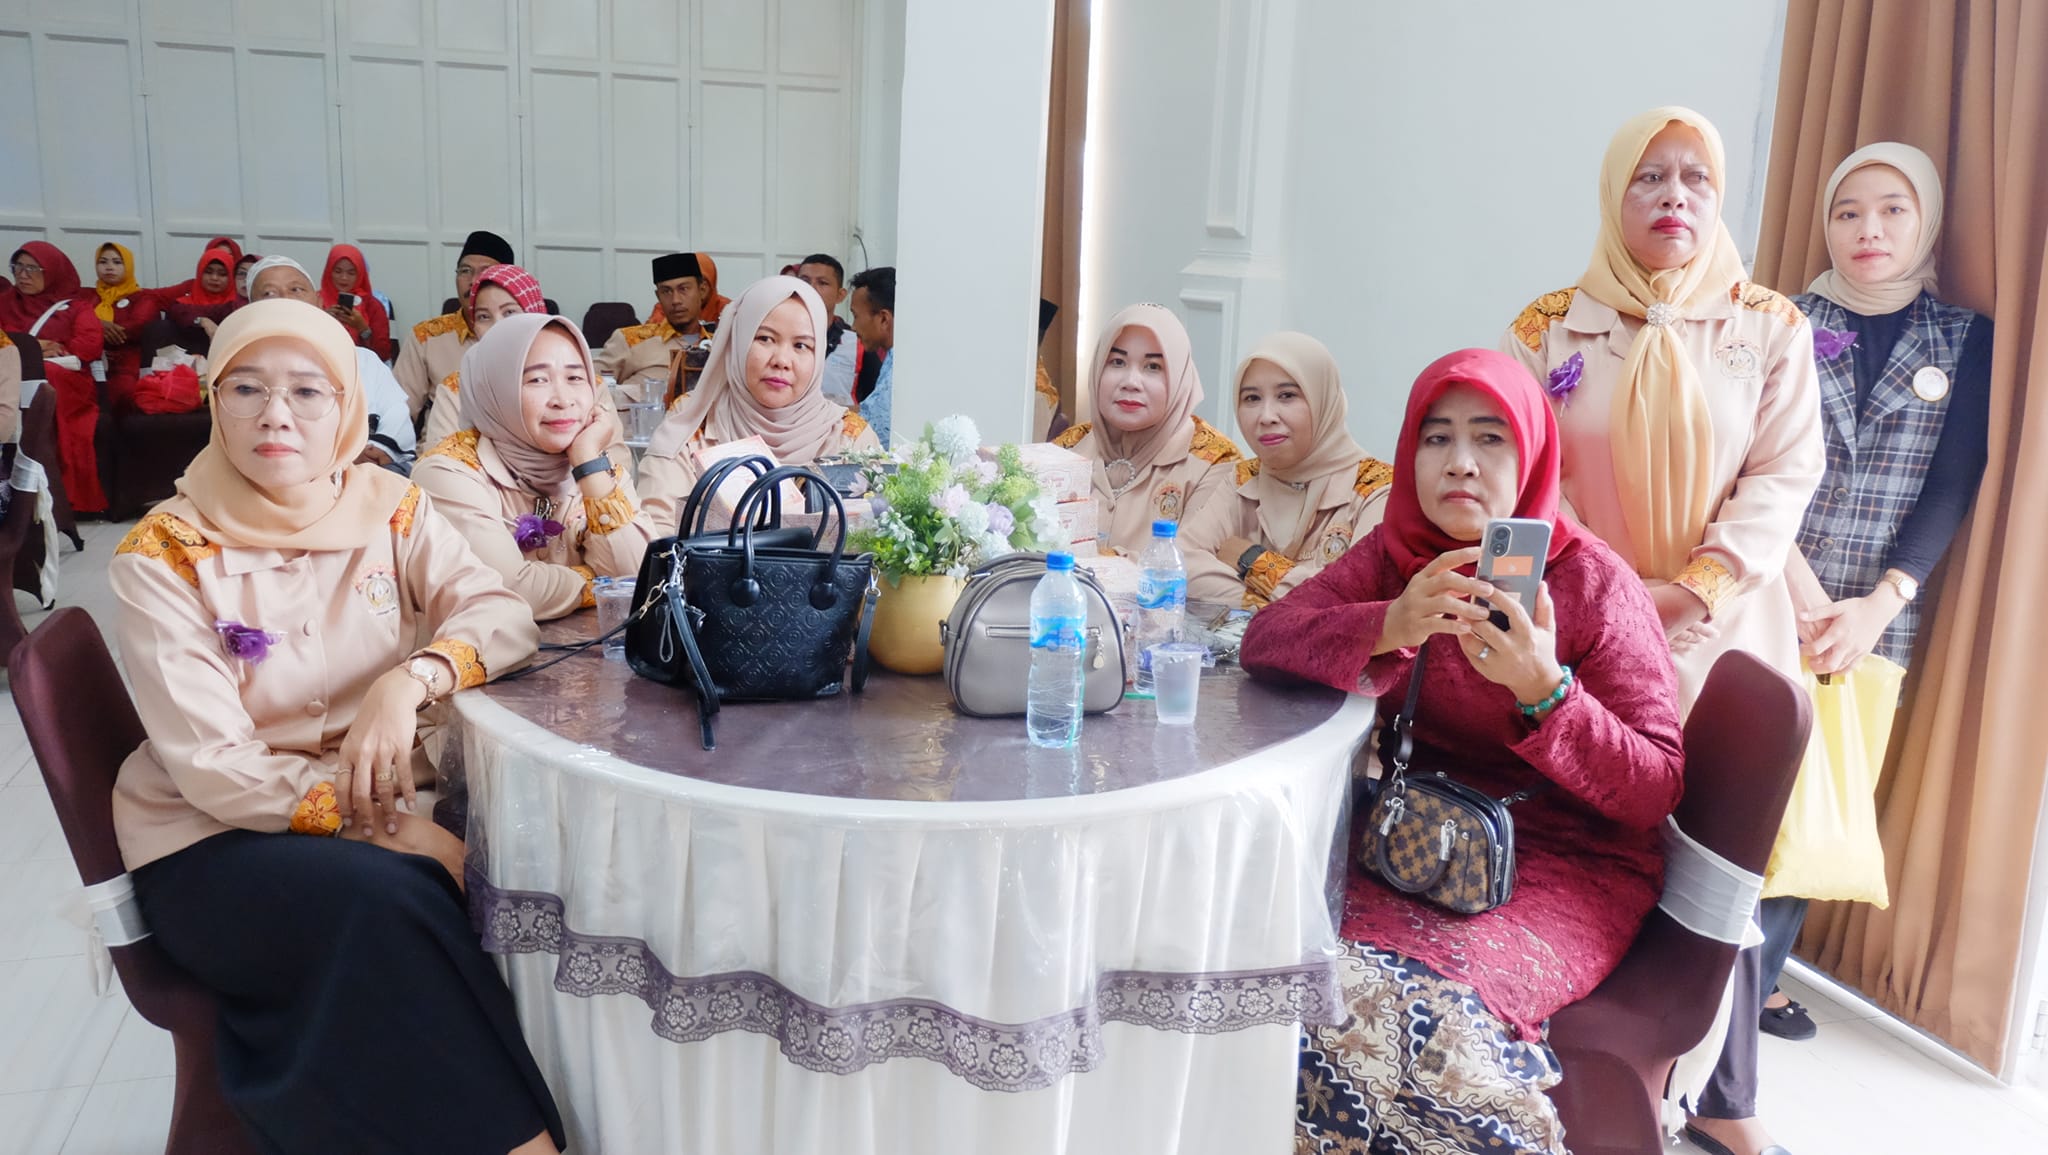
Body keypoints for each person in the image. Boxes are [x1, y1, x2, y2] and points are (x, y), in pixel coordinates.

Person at [109, 298, 563, 1154]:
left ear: (348, 405)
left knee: (513, 865)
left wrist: (410, 677)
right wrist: (381, 825)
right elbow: (216, 767)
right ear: (214, 401)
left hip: (376, 810)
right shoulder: (161, 553)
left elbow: (501, 613)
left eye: (307, 391)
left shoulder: (392, 508)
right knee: (394, 895)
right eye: (246, 387)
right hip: (212, 841)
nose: (276, 415)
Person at [1242, 347, 1684, 1155]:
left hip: (1566, 860)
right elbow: (1265, 641)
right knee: (1276, 980)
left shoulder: (1590, 582)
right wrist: (1390, 622)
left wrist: (1545, 689)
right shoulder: (1399, 558)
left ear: (1533, 454)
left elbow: (1654, 785)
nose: (1460, 463)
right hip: (1413, 834)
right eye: (1437, 437)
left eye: (1489, 438)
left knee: (1416, 1017)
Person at [1500, 106, 1823, 1155]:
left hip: (1723, 629)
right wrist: (1607, 597)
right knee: (1601, 826)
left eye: (1696, 179)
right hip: (1586, 625)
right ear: (1613, 194)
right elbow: (1524, 476)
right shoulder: (1549, 327)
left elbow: (1783, 476)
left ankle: (1725, 1094)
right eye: (1649, 177)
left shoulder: (1767, 325)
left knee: (1719, 857)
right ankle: (1571, 1047)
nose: (1674, 197)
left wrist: (1689, 591)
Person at [1757, 144, 1994, 1044]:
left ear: (1926, 221)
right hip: (1767, 583)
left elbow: (1953, 481)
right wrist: (1794, 581)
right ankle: (1703, 970)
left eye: (1893, 209)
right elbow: (1743, 459)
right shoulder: (1780, 319)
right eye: (1848, 211)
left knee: (1826, 790)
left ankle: (1760, 979)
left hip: (1876, 613)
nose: (1870, 229)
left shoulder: (1963, 339)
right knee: (1740, 780)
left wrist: (1879, 603)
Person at [414, 314, 657, 619]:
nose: (563, 400)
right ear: (496, 390)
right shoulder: (448, 473)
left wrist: (587, 463)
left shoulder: (595, 464)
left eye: (575, 378)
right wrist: (601, 582)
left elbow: (644, 577)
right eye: (537, 380)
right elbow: (512, 589)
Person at [638, 274, 880, 531]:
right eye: (765, 339)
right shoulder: (692, 420)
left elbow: (880, 538)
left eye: (801, 345)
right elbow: (659, 531)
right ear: (738, 341)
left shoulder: (848, 437)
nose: (781, 360)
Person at [1176, 331, 1390, 606]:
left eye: (1287, 395)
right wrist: (1266, 610)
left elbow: (1347, 602)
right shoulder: (1242, 479)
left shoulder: (1377, 490)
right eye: (1252, 398)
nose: (1266, 416)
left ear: (1323, 400)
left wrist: (1252, 560)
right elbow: (1180, 562)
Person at [1049, 304, 1242, 555]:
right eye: (1117, 362)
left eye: (1153, 367)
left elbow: (1189, 563)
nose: (1131, 382)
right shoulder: (1067, 448)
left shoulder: (1215, 463)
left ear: (1180, 377)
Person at [247, 255, 416, 472]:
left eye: (296, 289)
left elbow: (396, 413)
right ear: (251, 310)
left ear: (319, 302)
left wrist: (378, 450)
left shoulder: (363, 360)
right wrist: (345, 456)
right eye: (269, 293)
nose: (286, 299)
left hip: (371, 472)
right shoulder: (246, 370)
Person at [1, 241, 109, 513]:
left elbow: (88, 346)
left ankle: (61, 495)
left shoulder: (77, 307)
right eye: (18, 267)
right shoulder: (4, 303)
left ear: (53, 272)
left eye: (32, 269)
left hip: (66, 381)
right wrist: (33, 347)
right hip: (10, 377)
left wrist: (42, 352)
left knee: (48, 379)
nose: (23, 275)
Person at [421, 262, 543, 449]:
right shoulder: (457, 388)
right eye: (484, 317)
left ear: (535, 317)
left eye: (509, 312)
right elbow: (441, 458)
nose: (497, 326)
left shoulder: (573, 381)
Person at [394, 229, 514, 420]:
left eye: (486, 272)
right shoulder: (426, 336)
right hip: (442, 437)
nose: (473, 281)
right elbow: (399, 410)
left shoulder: (525, 337)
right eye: (465, 271)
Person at [596, 252, 714, 399]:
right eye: (666, 291)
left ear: (702, 291)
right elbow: (587, 386)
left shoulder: (720, 343)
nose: (675, 300)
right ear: (658, 296)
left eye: (683, 289)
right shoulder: (631, 340)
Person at [91, 241, 163, 410]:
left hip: (127, 364)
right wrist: (99, 325)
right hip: (90, 361)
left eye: (117, 262)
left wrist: (93, 330)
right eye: (103, 262)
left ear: (129, 266)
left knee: (123, 391)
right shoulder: (88, 296)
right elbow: (73, 323)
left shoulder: (143, 298)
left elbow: (134, 328)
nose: (109, 267)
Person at [795, 253, 859, 405]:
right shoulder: (777, 337)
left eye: (822, 283)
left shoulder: (858, 344)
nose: (811, 289)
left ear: (840, 295)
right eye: (804, 281)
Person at [164, 245, 243, 352]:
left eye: (222, 274)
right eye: (208, 272)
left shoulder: (238, 303)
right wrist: (202, 320)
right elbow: (176, 311)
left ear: (231, 277)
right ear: (200, 273)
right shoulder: (182, 304)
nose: (214, 278)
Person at [847, 265, 895, 445]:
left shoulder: (902, 367)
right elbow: (870, 410)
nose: (853, 327)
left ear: (883, 319)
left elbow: (871, 422)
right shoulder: (893, 358)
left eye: (855, 316)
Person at [320, 243, 391, 356]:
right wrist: (321, 319)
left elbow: (383, 354)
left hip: (361, 365)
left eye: (351, 273)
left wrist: (363, 329)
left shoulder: (372, 306)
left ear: (360, 274)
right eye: (338, 271)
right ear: (329, 272)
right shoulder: (315, 300)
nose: (344, 278)